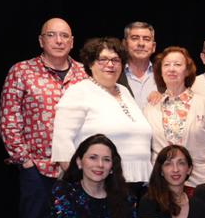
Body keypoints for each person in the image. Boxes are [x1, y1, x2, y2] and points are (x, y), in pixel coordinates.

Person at [0, 17, 89, 218]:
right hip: (36, 167)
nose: (59, 41)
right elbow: (9, 119)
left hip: (75, 172)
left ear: (72, 41)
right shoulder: (22, 71)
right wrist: (24, 160)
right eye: (52, 35)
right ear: (41, 40)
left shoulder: (84, 75)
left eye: (64, 36)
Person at [50, 37, 153, 186]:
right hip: (100, 185)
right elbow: (62, 144)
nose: (110, 64)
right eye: (103, 59)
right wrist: (84, 185)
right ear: (90, 63)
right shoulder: (79, 91)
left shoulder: (124, 90)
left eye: (115, 60)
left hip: (139, 183)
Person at [145, 46, 205, 187]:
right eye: (167, 65)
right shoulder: (150, 108)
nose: (171, 69)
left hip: (199, 182)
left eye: (178, 64)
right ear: (160, 71)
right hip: (161, 184)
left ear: (187, 71)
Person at [122, 21, 157, 109]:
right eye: (135, 38)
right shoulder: (115, 74)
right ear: (125, 44)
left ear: (153, 47)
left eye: (146, 39)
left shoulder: (164, 75)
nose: (141, 44)